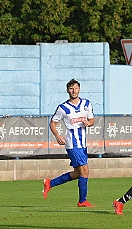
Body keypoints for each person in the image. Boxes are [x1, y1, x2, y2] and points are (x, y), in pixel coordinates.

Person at [43, 78, 95, 207]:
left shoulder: (87, 104)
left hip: (83, 144)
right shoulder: (63, 108)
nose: (74, 90)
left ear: (79, 89)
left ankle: (50, 183)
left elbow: (92, 120)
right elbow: (53, 123)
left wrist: (89, 123)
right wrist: (57, 135)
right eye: (71, 88)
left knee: (78, 173)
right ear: (67, 90)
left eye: (76, 88)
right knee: (85, 171)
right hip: (72, 144)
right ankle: (82, 201)